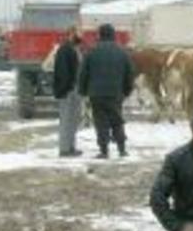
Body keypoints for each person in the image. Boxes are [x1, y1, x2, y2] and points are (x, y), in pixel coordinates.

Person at [78, 23, 134, 159]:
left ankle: (104, 150)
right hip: (116, 93)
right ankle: (122, 149)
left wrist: (83, 91)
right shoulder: (122, 52)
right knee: (117, 120)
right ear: (113, 35)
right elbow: (129, 74)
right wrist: (126, 91)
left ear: (100, 35)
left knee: (101, 121)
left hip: (96, 94)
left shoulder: (91, 52)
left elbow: (83, 74)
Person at [53, 26, 84, 158]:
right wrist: (67, 87)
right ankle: (64, 149)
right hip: (68, 90)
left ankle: (71, 146)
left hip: (75, 89)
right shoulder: (65, 49)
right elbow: (63, 71)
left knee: (74, 119)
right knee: (66, 119)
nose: (81, 35)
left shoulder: (74, 49)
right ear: (72, 34)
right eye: (78, 33)